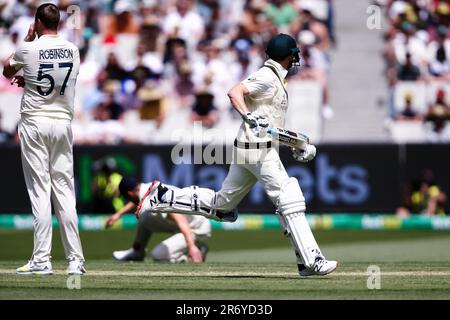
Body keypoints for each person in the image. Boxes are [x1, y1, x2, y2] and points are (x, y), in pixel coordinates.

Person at [137, 34, 338, 277]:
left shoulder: (275, 78)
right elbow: (235, 92)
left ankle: (162, 194)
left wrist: (297, 143)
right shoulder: (266, 76)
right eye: (295, 54)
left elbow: (270, 125)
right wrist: (247, 115)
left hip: (252, 148)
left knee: (223, 207)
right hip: (257, 151)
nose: (297, 58)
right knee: (289, 196)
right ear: (288, 55)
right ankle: (310, 261)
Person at [2, 3, 85, 275]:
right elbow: (61, 81)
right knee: (64, 190)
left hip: (35, 123)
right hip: (62, 123)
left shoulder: (29, 47)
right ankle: (75, 261)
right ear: (58, 22)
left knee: (40, 189)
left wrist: (26, 42)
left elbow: (7, 71)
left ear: (37, 22)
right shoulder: (72, 49)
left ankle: (42, 260)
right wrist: (32, 82)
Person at [105, 177, 211, 263]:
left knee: (158, 255)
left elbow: (180, 220)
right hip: (190, 223)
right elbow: (136, 202)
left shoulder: (155, 199)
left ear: (129, 193)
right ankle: (138, 252)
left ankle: (196, 251)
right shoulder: (146, 189)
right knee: (145, 218)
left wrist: (191, 246)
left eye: (125, 197)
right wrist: (118, 215)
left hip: (196, 228)